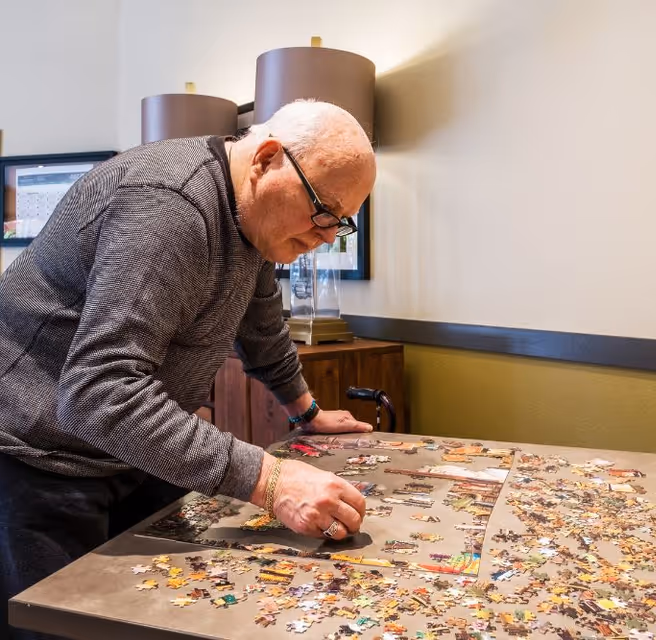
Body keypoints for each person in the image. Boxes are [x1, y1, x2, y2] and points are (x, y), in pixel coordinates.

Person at [0, 100, 376, 639]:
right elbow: (99, 394)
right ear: (267, 158)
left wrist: (306, 411)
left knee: (155, 612)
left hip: (133, 453)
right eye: (323, 211)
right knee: (60, 628)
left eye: (341, 224)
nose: (325, 236)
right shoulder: (169, 206)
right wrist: (270, 480)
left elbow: (261, 321)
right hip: (37, 457)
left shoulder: (253, 222)